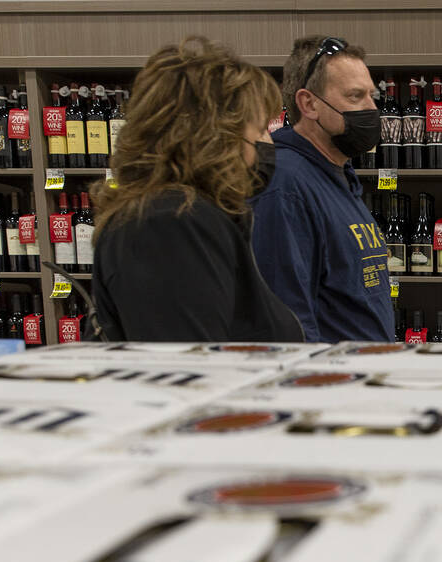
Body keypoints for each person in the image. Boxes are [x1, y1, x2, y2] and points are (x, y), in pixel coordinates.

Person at [90, 37, 303, 342]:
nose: (269, 145)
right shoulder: (169, 223)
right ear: (212, 137)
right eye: (259, 131)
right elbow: (190, 374)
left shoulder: (188, 215)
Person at [250, 35, 393, 343]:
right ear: (309, 103)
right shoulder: (285, 185)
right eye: (355, 97)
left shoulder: (338, 173)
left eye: (372, 96)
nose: (371, 109)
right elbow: (287, 319)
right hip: (330, 384)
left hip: (362, 380)